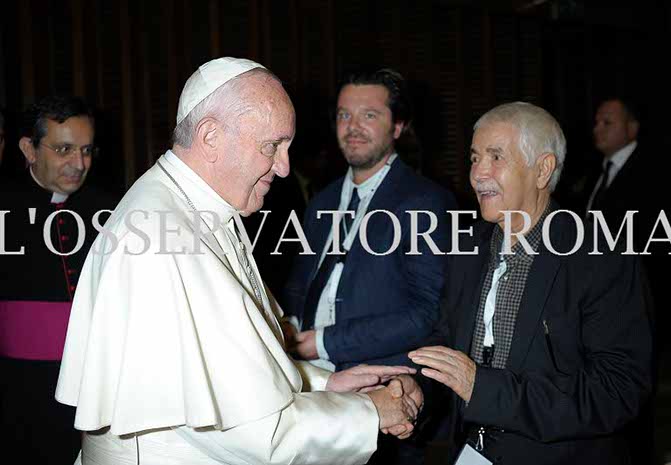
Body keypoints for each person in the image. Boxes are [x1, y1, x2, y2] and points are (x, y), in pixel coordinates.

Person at [55, 57, 422, 465]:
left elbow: (236, 372)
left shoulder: (200, 210)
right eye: (272, 146)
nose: (284, 168)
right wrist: (371, 412)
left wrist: (325, 383)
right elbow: (251, 431)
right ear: (211, 137)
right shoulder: (162, 240)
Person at [409, 102, 653, 465]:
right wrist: (417, 390)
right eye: (475, 158)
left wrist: (485, 389)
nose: (478, 173)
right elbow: (447, 341)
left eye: (495, 157)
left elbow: (617, 392)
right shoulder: (466, 249)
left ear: (542, 171)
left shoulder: (599, 258)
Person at [283, 68, 456, 465]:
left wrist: (321, 342)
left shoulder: (425, 202)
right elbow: (298, 286)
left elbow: (426, 314)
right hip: (313, 394)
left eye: (369, 115)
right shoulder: (322, 202)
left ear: (398, 125)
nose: (353, 127)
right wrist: (288, 327)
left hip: (388, 397)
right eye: (344, 115)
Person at [0, 95, 116, 464]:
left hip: (94, 384)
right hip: (18, 390)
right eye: (64, 149)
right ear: (28, 149)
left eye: (86, 150)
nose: (79, 164)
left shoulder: (109, 209)